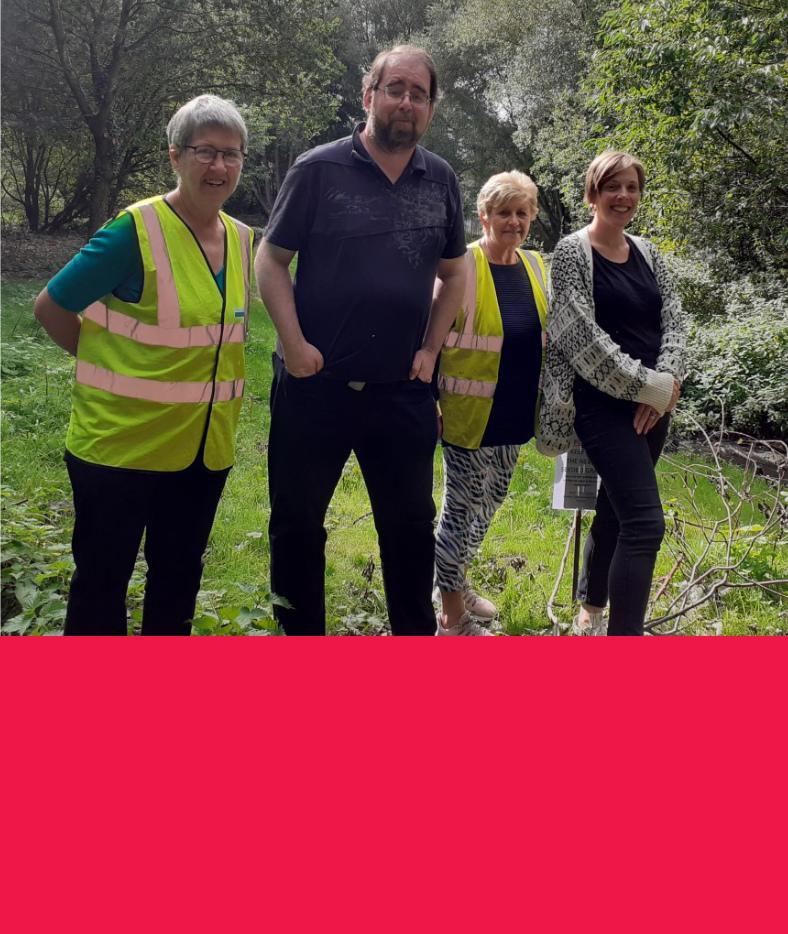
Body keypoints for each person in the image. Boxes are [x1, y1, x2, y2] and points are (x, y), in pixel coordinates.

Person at [255, 45, 467, 636]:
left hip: (402, 391)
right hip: (313, 388)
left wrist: (431, 350)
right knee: (296, 526)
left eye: (418, 93)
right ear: (368, 95)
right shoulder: (317, 169)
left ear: (430, 108)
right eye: (394, 88)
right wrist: (293, 344)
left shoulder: (441, 179)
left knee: (408, 527)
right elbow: (271, 260)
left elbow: (456, 272)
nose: (406, 102)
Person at [33, 95, 254, 636]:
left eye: (232, 154)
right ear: (175, 156)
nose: (219, 167)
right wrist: (105, 362)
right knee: (102, 585)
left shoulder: (244, 239)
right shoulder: (134, 231)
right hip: (120, 449)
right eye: (205, 151)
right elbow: (51, 306)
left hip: (203, 453)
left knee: (178, 582)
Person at [537, 150, 686, 636]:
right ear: (593, 193)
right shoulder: (570, 255)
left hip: (652, 408)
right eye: (612, 187)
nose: (623, 196)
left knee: (617, 511)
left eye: (632, 187)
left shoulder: (649, 252)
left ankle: (592, 608)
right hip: (599, 407)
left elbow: (676, 320)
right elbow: (581, 339)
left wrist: (667, 382)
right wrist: (653, 385)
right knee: (645, 523)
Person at [434, 171, 548, 636]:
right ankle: (450, 615)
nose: (513, 221)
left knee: (491, 502)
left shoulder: (537, 266)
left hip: (515, 412)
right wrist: (430, 403)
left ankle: (451, 580)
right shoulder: (461, 265)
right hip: (465, 415)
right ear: (483, 216)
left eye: (522, 213)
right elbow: (428, 338)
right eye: (503, 212)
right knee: (460, 511)